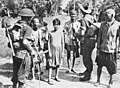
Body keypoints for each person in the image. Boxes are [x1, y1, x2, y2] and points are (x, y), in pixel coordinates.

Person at [7, 8, 35, 88]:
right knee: (22, 78)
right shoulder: (28, 28)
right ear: (28, 18)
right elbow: (25, 42)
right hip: (23, 55)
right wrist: (32, 50)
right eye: (30, 18)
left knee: (15, 74)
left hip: (15, 53)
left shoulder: (15, 26)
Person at [94, 9, 120, 87]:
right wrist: (98, 47)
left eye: (107, 15)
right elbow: (99, 37)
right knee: (99, 65)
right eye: (105, 15)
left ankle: (110, 81)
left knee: (111, 67)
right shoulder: (102, 24)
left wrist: (118, 50)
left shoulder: (118, 25)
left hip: (111, 50)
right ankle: (98, 81)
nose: (105, 16)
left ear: (112, 15)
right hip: (102, 48)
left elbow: (118, 38)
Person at [48, 18, 64, 85]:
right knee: (51, 64)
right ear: (53, 25)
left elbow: (62, 42)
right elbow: (49, 42)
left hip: (59, 49)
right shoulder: (50, 33)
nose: (56, 26)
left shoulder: (61, 33)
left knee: (58, 64)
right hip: (52, 49)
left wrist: (62, 52)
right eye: (55, 25)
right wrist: (49, 52)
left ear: (59, 25)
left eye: (57, 25)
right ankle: (49, 78)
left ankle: (56, 76)